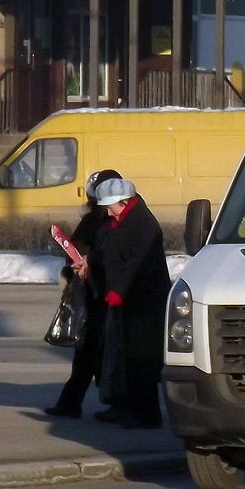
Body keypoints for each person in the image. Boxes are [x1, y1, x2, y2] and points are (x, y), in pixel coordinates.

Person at [73, 178, 171, 429]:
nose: (106, 211)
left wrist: (118, 290)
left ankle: (147, 416)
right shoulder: (122, 221)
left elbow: (137, 263)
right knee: (128, 359)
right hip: (127, 302)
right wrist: (89, 263)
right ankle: (132, 411)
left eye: (110, 206)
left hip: (144, 304)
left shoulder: (142, 223)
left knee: (141, 360)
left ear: (124, 202)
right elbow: (109, 252)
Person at [45, 169, 123, 419]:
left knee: (91, 352)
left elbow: (79, 252)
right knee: (97, 352)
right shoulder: (113, 220)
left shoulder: (98, 221)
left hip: (97, 295)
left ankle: (75, 403)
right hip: (101, 293)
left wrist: (75, 268)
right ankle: (110, 403)